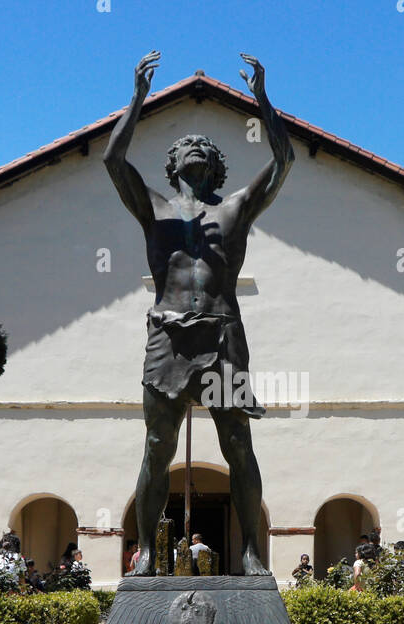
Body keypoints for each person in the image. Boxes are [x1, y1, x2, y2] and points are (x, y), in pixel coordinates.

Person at [106, 51, 293, 577]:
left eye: (203, 146)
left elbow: (284, 163)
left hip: (222, 332)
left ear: (214, 165)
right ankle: (144, 552)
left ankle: (253, 552)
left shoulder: (233, 208)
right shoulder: (155, 209)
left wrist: (263, 99)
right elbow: (113, 162)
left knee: (237, 443)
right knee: (157, 445)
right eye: (185, 145)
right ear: (173, 164)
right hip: (167, 333)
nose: (194, 148)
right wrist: (138, 98)